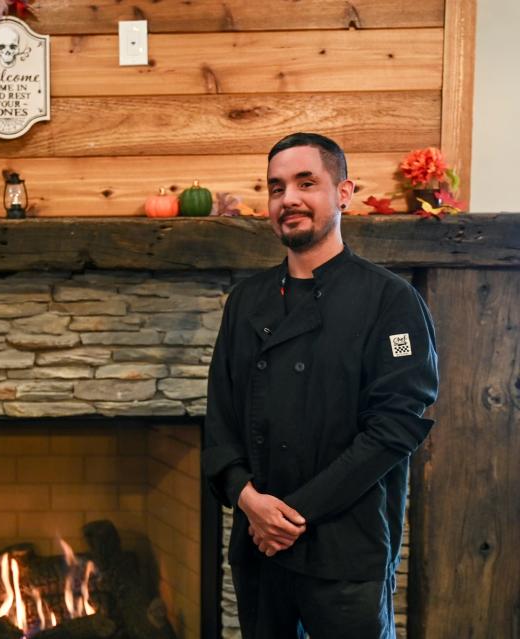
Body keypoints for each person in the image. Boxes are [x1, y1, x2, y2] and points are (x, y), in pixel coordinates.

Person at [202, 133, 439, 638]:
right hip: (260, 549)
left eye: (305, 182)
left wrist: (288, 516)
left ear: (344, 192)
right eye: (276, 187)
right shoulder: (246, 301)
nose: (288, 198)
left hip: (344, 548)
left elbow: (395, 428)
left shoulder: (391, 303)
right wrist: (248, 501)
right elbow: (219, 420)